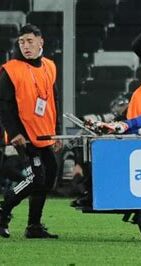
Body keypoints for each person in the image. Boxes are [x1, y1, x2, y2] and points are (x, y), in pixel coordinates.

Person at [0, 24, 62, 239]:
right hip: (24, 135)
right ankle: (3, 210)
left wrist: (57, 132)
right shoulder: (10, 69)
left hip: (45, 133)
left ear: (40, 41)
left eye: (29, 41)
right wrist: (14, 133)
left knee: (50, 174)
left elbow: (54, 100)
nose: (25, 46)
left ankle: (34, 226)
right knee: (38, 177)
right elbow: (4, 105)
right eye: (21, 42)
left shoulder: (50, 66)